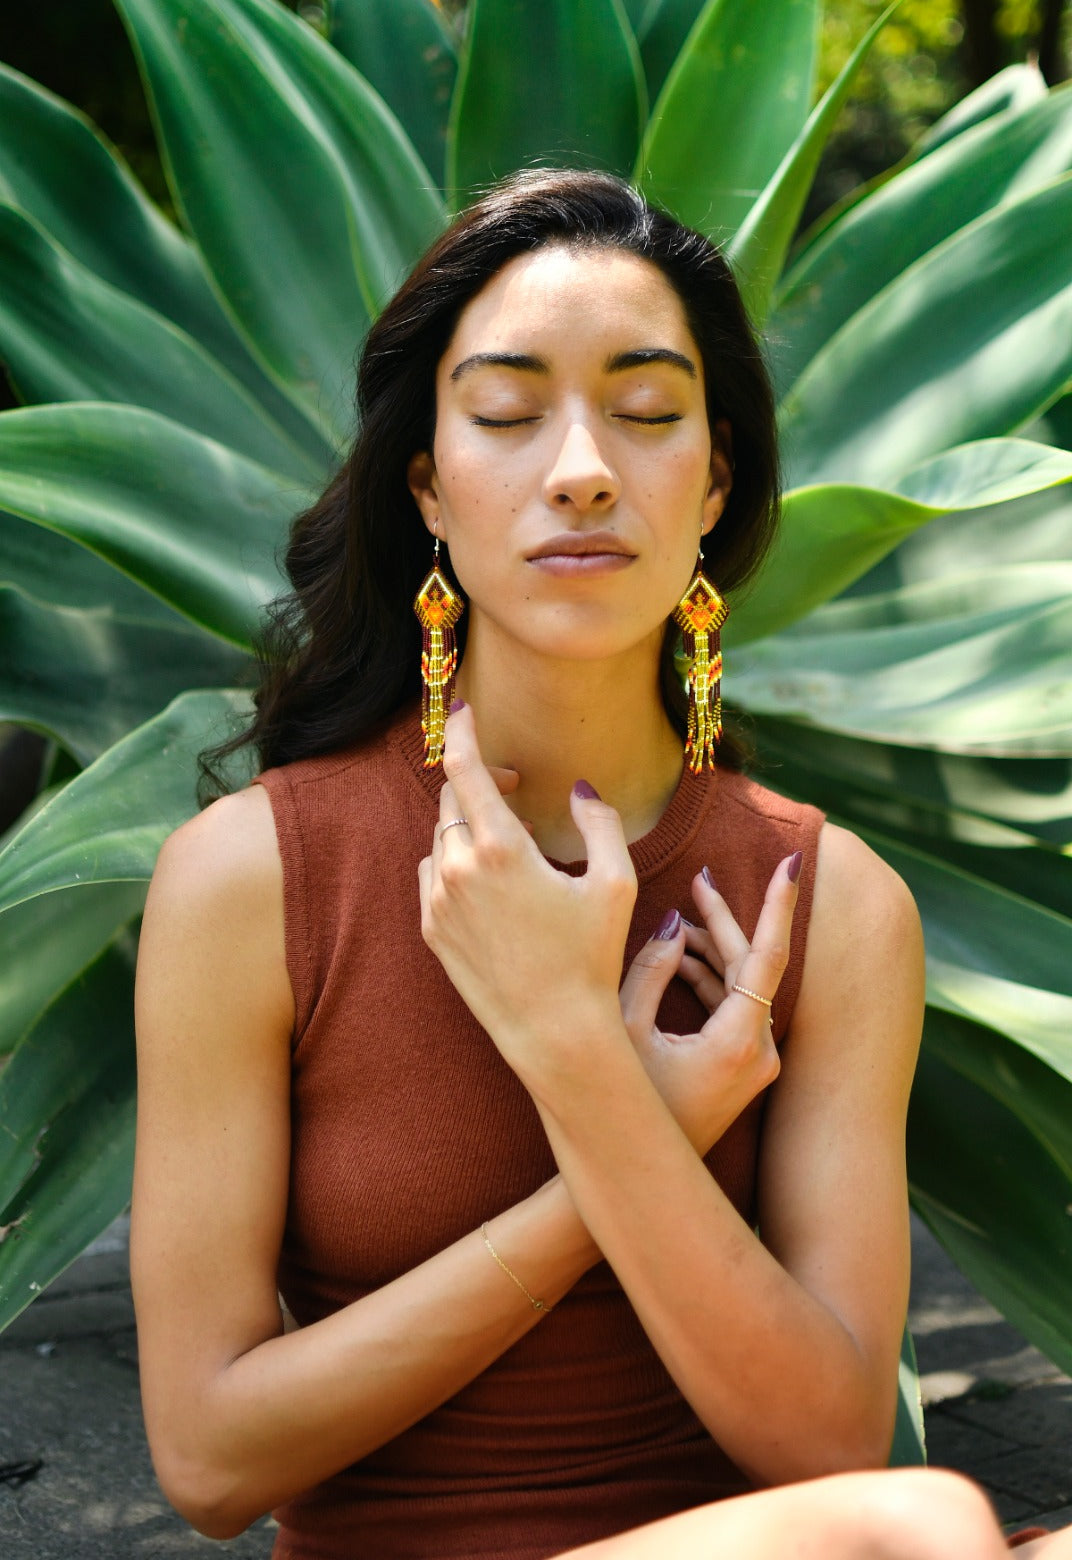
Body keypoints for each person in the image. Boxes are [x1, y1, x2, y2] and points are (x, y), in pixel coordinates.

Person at [131, 169, 1065, 1560]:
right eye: (507, 414)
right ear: (431, 490)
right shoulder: (250, 882)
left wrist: (574, 1049)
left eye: (646, 414)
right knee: (923, 1526)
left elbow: (821, 1439)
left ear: (714, 485)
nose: (581, 466)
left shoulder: (834, 902)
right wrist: (624, 1135)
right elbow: (208, 1459)